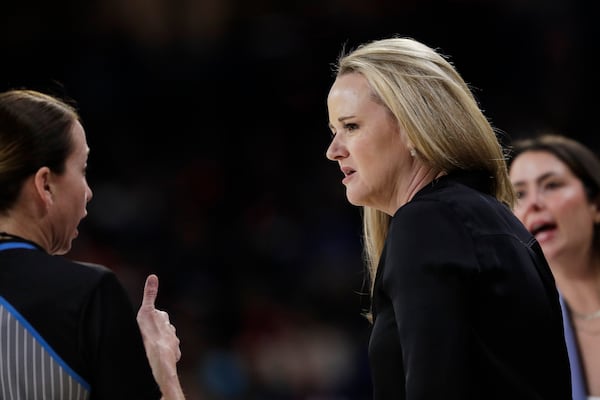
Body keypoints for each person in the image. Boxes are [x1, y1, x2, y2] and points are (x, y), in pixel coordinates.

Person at [325, 37, 572, 399]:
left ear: (412, 126)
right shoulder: (493, 219)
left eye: (351, 126)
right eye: (333, 131)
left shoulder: (426, 224)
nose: (333, 150)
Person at [0, 89, 184, 399]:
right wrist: (162, 366)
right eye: (83, 170)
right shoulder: (89, 296)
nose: (88, 192)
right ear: (45, 184)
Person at [508, 133, 600, 400]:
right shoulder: (523, 330)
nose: (533, 203)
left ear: (595, 204)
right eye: (519, 194)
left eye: (551, 185)